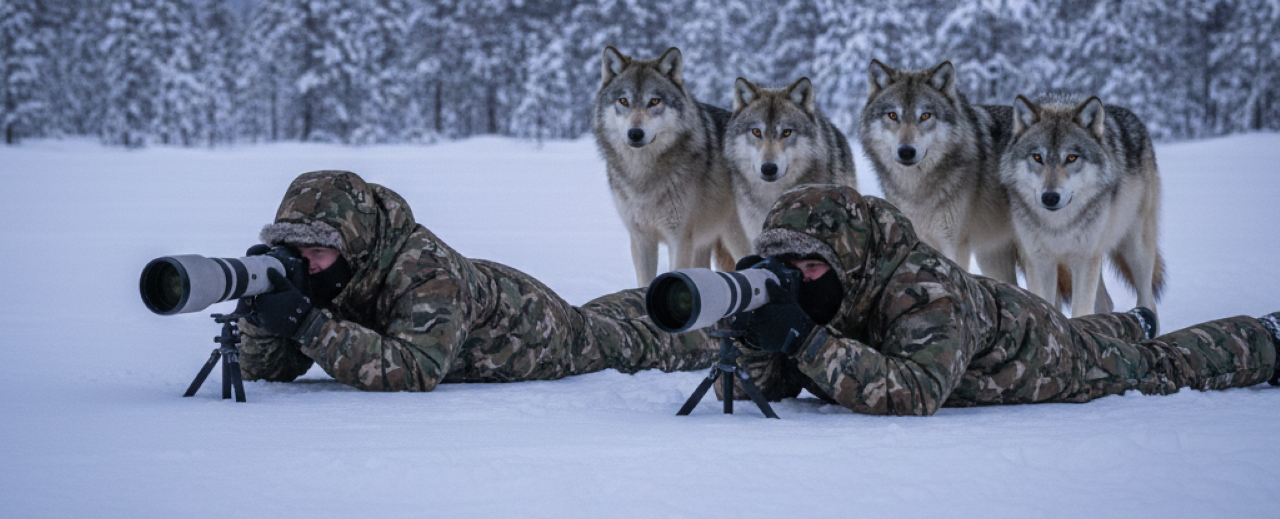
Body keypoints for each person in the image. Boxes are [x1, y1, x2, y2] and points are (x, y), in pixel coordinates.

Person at [720, 184, 1280, 415]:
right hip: (991, 313)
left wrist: (803, 339)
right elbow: (771, 385)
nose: (802, 280)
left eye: (815, 264)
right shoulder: (840, 282)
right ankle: (1131, 321)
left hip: (1034, 353)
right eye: (787, 267)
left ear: (852, 255)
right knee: (1101, 331)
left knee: (1155, 367)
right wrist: (754, 336)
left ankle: (1265, 338)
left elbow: (917, 391)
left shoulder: (922, 289)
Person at [237, 170, 717, 391]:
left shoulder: (423, 272)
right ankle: (665, 295)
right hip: (490, 294)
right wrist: (264, 314)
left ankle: (718, 315)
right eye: (295, 253)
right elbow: (268, 371)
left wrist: (308, 326)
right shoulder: (335, 273)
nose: (308, 265)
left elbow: (416, 368)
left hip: (534, 334)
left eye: (318, 252)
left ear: (356, 244)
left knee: (626, 339)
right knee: (604, 314)